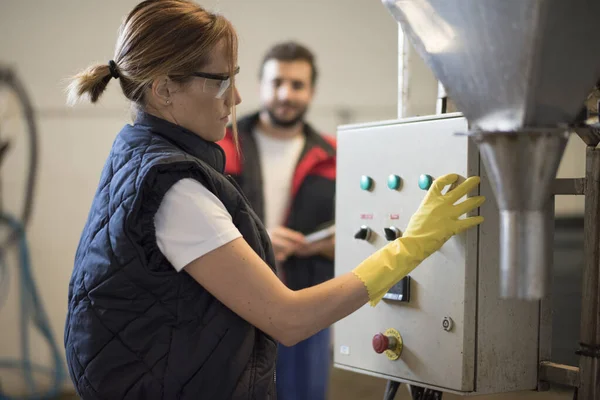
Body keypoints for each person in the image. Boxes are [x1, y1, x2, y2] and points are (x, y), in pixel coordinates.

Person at [63, 1, 485, 399]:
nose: (236, 97)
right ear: (163, 91)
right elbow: (290, 319)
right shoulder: (175, 189)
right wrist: (409, 247)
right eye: (221, 81)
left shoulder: (137, 153)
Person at [217, 41, 336, 400]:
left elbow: (358, 226)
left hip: (307, 300)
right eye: (277, 82)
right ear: (260, 86)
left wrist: (335, 243)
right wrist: (260, 238)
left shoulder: (334, 155)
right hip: (234, 301)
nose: (286, 93)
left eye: (297, 85)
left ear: (311, 91)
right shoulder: (221, 145)